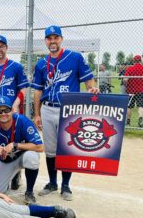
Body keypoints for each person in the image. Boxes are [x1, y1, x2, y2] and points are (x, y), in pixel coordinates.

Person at [31, 25, 99, 201]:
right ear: (45, 41)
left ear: (61, 39)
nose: (52, 41)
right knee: (51, 150)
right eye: (49, 38)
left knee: (67, 149)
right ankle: (52, 182)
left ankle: (66, 185)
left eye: (55, 38)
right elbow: (37, 91)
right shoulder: (41, 64)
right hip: (47, 108)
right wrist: (36, 114)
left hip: (68, 109)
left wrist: (92, 89)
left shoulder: (74, 58)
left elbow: (87, 80)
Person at [0, 97, 44, 204]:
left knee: (32, 157)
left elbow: (40, 147)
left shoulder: (22, 121)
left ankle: (29, 192)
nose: (3, 114)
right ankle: (15, 175)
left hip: (22, 157)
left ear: (12, 110)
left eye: (6, 110)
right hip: (5, 160)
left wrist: (16, 145)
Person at [123, 55, 143, 128]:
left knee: (129, 106)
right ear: (141, 61)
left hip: (131, 90)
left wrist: (126, 83)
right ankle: (140, 120)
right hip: (142, 91)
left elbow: (125, 80)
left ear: (133, 61)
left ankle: (128, 121)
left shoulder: (130, 69)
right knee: (141, 106)